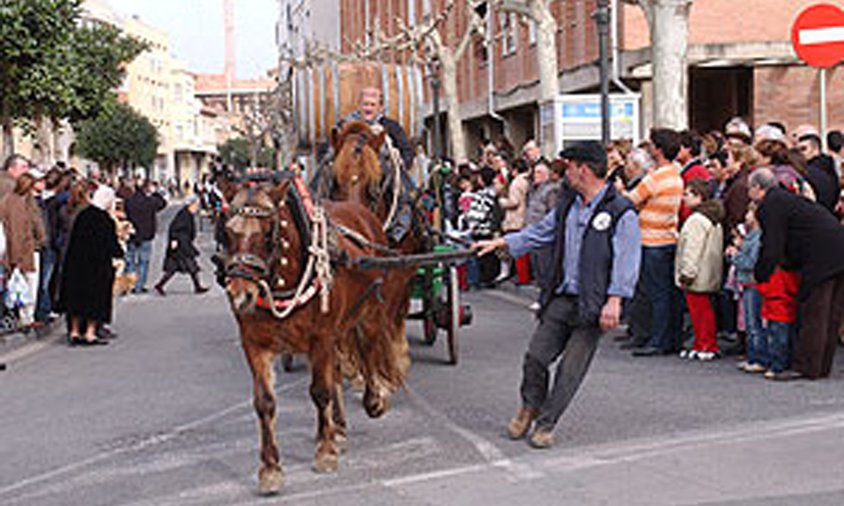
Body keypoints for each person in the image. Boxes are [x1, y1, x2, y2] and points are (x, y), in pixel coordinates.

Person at [474, 141, 640, 449]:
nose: (564, 173)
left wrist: (615, 300)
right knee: (536, 357)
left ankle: (546, 423)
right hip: (563, 296)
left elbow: (626, 260)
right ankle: (529, 405)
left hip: (594, 303)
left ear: (584, 169)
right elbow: (540, 233)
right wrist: (501, 244)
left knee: (570, 370)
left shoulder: (620, 211)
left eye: (570, 166)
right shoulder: (567, 205)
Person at [750, 168, 844, 380]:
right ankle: (821, 366)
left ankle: (806, 366)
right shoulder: (789, 200)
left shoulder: (770, 205)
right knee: (831, 312)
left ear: (757, 188)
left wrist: (761, 272)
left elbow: (772, 244)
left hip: (820, 257)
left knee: (815, 311)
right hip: (837, 247)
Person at [622, 128, 685, 357]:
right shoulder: (675, 175)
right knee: (667, 292)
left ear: (658, 150)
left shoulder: (655, 177)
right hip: (668, 236)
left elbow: (630, 200)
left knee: (655, 293)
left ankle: (657, 340)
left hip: (651, 239)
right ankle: (668, 338)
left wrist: (622, 192)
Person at [57, 183, 123, 346]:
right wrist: (119, 252)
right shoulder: (104, 220)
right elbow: (112, 245)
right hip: (97, 266)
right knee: (95, 300)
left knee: (77, 300)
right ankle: (90, 333)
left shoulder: (82, 216)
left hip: (76, 264)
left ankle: (74, 332)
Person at [675, 179, 724, 360]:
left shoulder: (696, 220)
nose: (683, 198)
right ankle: (703, 343)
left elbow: (692, 249)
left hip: (696, 273)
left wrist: (687, 272)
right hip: (708, 271)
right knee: (704, 310)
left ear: (699, 196)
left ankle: (706, 344)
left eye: (687, 194)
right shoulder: (712, 219)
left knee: (700, 312)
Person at [0, 171, 47, 328]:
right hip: (25, 252)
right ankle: (26, 318)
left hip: (20, 250)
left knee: (19, 286)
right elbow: (17, 232)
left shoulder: (11, 201)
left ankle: (23, 317)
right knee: (28, 285)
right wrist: (17, 257)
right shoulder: (17, 204)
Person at [154, 196, 209, 296]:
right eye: (196, 206)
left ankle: (161, 285)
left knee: (179, 267)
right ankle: (197, 287)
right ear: (190, 205)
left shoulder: (187, 214)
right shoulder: (183, 215)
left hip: (184, 243)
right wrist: (174, 240)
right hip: (181, 245)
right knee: (190, 266)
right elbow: (175, 228)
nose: (197, 208)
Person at [124, 180, 166, 293]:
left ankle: (129, 285)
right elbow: (163, 203)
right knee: (144, 261)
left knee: (130, 261)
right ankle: (139, 285)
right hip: (146, 235)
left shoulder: (129, 201)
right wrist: (156, 192)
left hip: (132, 234)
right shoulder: (150, 201)